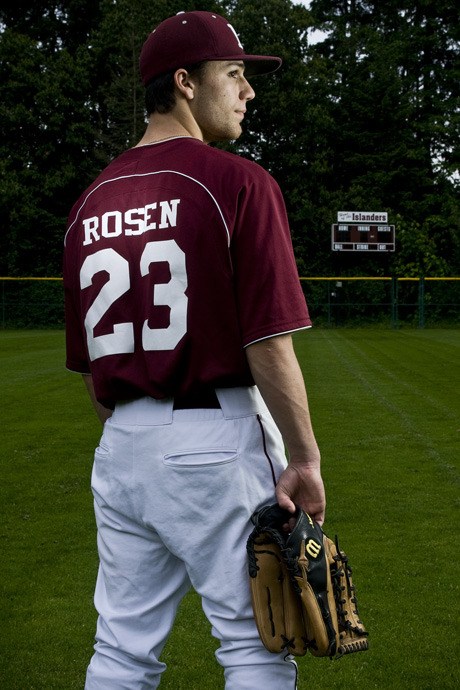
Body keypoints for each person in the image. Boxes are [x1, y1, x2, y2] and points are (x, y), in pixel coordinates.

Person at [63, 10, 325, 690]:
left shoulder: (89, 202)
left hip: (121, 443)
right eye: (234, 74)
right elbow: (267, 341)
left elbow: (94, 368)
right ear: (185, 82)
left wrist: (139, 438)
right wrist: (304, 457)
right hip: (215, 438)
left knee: (121, 651)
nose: (248, 91)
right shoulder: (237, 181)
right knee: (257, 647)